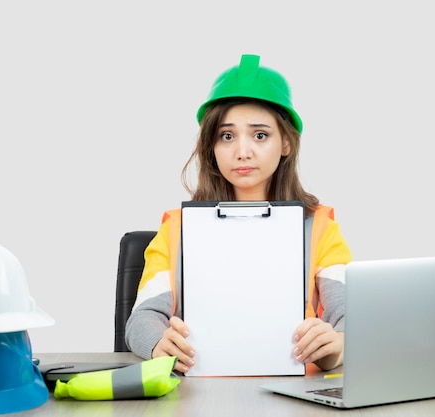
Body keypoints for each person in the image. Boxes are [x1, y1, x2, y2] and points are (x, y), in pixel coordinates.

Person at [125, 54, 352, 373]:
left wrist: (337, 347)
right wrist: (157, 343)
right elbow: (142, 319)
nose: (242, 151)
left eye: (260, 135)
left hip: (297, 390)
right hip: (198, 388)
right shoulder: (176, 228)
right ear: (211, 146)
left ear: (286, 142)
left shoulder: (319, 226)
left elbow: (351, 320)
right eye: (226, 136)